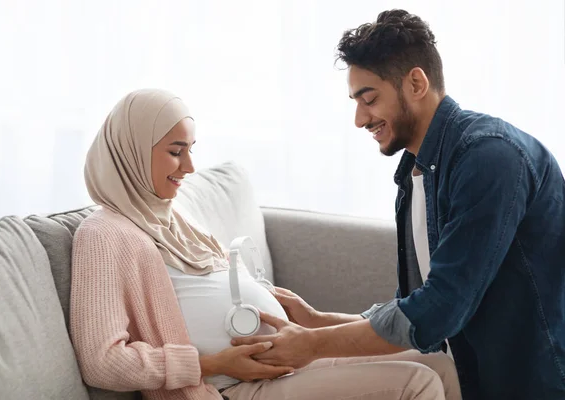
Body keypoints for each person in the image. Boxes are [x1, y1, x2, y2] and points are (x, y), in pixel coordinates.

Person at [231, 9, 565, 400]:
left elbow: (438, 311)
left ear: (416, 83)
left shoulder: (490, 158)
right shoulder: (418, 171)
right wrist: (322, 324)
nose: (359, 119)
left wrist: (313, 345)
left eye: (368, 98)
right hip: (477, 377)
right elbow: (418, 311)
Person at [70, 88, 461, 400]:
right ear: (133, 152)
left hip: (286, 363)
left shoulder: (171, 219)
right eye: (175, 152)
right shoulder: (105, 234)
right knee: (416, 384)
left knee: (442, 364)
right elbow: (102, 362)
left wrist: (303, 319)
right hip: (230, 387)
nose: (189, 167)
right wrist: (213, 363)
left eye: (191, 150)